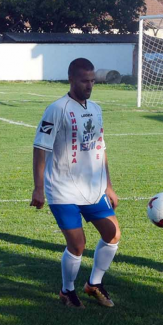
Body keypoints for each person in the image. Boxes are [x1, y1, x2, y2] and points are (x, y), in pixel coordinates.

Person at [30, 58, 120, 309]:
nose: (90, 85)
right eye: (84, 81)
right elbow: (40, 147)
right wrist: (38, 187)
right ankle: (67, 291)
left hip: (93, 187)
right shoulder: (56, 109)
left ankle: (94, 284)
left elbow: (100, 148)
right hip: (63, 189)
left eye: (92, 80)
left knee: (113, 234)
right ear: (71, 79)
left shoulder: (96, 109)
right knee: (78, 244)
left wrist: (109, 185)